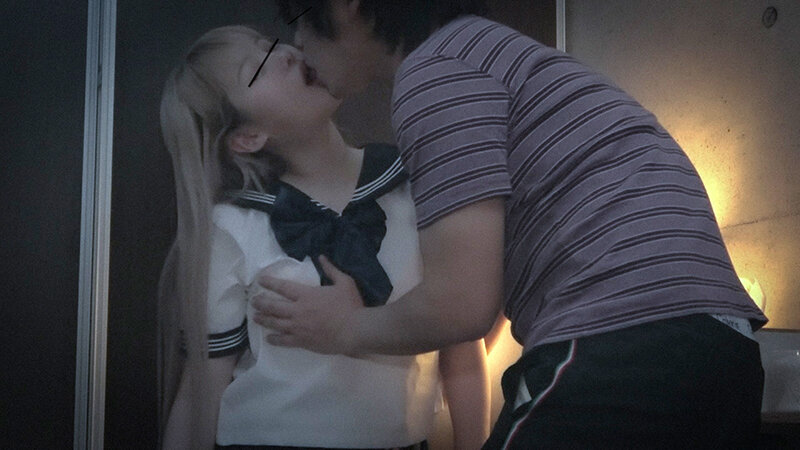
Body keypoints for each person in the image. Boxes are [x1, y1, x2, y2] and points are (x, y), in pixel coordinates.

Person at [253, 1, 769, 448]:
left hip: (626, 342)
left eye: (300, 19)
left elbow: (460, 306)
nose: (297, 44)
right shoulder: (491, 52)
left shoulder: (434, 72)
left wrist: (346, 329)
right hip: (725, 347)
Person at [157, 25, 490, 450]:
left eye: (268, 43)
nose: (285, 53)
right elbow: (201, 389)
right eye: (255, 68)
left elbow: (461, 349)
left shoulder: (415, 187)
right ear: (248, 137)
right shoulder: (235, 225)